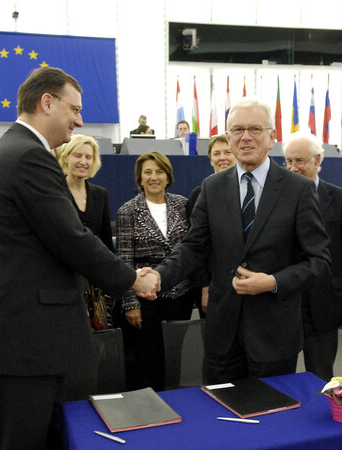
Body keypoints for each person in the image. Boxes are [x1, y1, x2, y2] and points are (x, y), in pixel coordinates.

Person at [0, 67, 158, 450]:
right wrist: (134, 279)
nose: (78, 121)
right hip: (23, 349)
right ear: (47, 102)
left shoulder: (15, 151)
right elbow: (72, 238)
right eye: (74, 109)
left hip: (29, 345)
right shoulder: (27, 157)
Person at [154, 97, 330, 384]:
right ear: (228, 137)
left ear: (272, 137)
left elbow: (319, 262)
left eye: (255, 129)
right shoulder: (212, 188)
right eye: (237, 130)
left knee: (271, 421)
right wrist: (159, 276)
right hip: (222, 337)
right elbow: (193, 247)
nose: (245, 137)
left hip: (274, 337)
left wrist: (272, 282)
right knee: (219, 418)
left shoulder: (299, 190)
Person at [283, 133, 342, 381]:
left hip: (324, 302)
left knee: (320, 373)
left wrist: (332, 281)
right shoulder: (273, 198)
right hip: (283, 301)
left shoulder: (341, 199)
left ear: (317, 160)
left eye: (300, 161)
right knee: (279, 377)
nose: (293, 168)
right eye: (288, 161)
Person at [116, 151, 192, 390]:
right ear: (139, 178)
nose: (153, 177)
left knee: (175, 356)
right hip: (145, 300)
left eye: (159, 171)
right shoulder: (127, 210)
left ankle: (176, 403)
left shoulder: (183, 205)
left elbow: (192, 249)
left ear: (168, 176)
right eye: (147, 172)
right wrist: (131, 304)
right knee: (148, 360)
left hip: (180, 296)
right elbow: (124, 260)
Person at [58, 134, 116, 330]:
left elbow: (106, 242)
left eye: (88, 157)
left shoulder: (100, 195)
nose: (83, 162)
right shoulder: (54, 192)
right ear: (66, 157)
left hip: (96, 286)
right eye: (77, 155)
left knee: (99, 346)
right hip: (64, 284)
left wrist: (112, 284)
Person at [186, 134, 237, 316]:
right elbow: (196, 246)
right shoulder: (199, 194)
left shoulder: (249, 189)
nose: (222, 158)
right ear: (210, 160)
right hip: (212, 284)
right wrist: (204, 286)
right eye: (216, 153)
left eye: (228, 152)